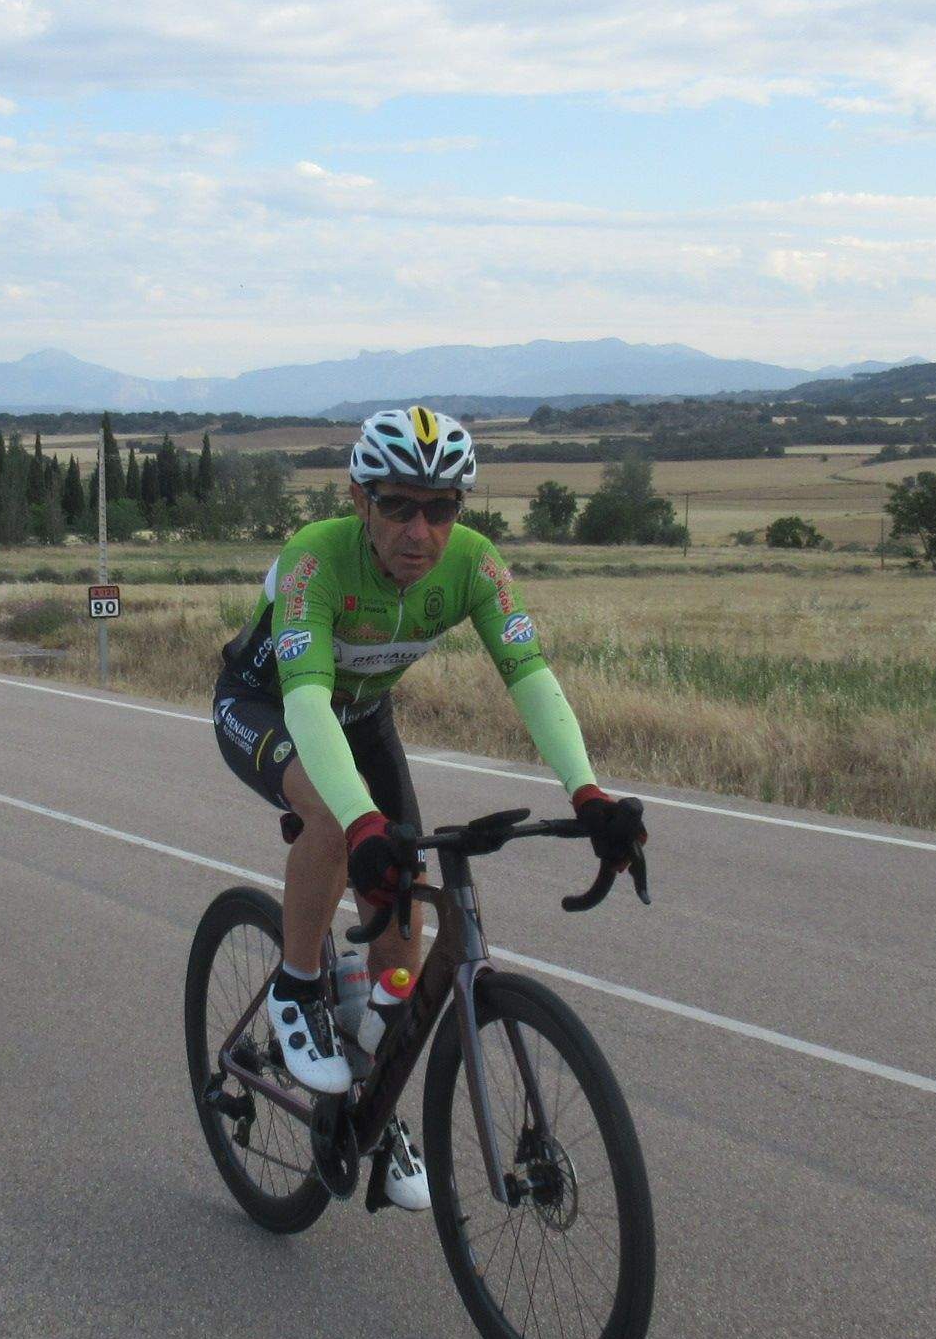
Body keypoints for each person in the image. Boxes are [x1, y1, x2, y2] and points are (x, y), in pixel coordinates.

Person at [212, 406, 646, 1208]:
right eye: (398, 505)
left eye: (441, 508)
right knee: (336, 821)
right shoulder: (316, 558)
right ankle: (296, 988)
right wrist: (360, 822)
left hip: (363, 716)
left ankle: (370, 1102)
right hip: (268, 705)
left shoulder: (475, 565)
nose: (420, 530)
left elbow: (530, 675)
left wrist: (586, 792)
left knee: (401, 939)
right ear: (359, 499)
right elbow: (306, 703)